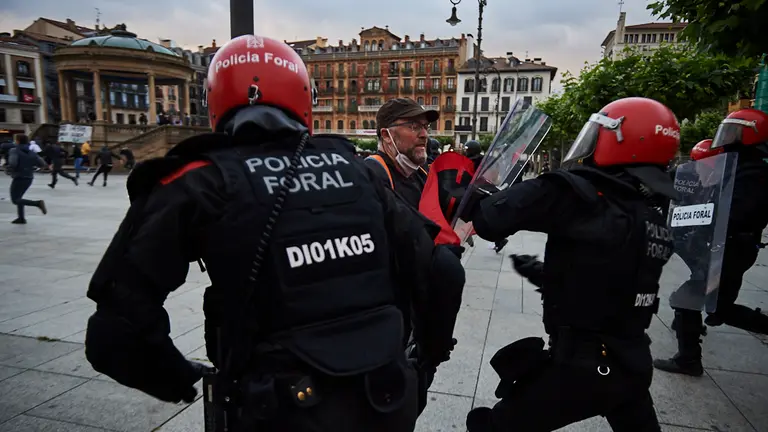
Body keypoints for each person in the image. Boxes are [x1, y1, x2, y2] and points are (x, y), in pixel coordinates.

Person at [83, 34, 462, 432]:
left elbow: (115, 332)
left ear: (216, 101)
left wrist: (176, 378)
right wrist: (424, 362)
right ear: (303, 100)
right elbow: (444, 272)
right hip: (383, 399)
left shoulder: (199, 180)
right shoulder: (354, 170)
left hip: (278, 409)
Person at [462, 97, 680, 432]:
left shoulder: (576, 194)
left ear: (618, 138)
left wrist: (468, 189)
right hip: (632, 360)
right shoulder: (651, 211)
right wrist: (540, 273)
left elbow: (488, 218)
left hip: (583, 367)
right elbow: (607, 275)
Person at [654, 109, 768, 377]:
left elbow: (737, 213)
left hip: (730, 248)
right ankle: (690, 333)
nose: (728, 137)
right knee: (720, 309)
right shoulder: (738, 165)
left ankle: (688, 360)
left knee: (686, 300)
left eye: (736, 131)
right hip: (730, 248)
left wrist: (701, 214)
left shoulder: (755, 173)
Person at [364, 98, 436, 209]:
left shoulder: (421, 173)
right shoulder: (371, 176)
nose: (424, 134)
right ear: (386, 135)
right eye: (414, 126)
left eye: (426, 127)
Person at [7, 134, 47, 224]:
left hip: (19, 177)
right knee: (19, 197)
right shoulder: (31, 152)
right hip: (29, 177)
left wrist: (9, 169)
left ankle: (37, 203)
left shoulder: (14, 150)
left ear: (17, 141)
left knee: (15, 200)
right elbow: (42, 163)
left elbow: (13, 163)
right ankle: (21, 218)